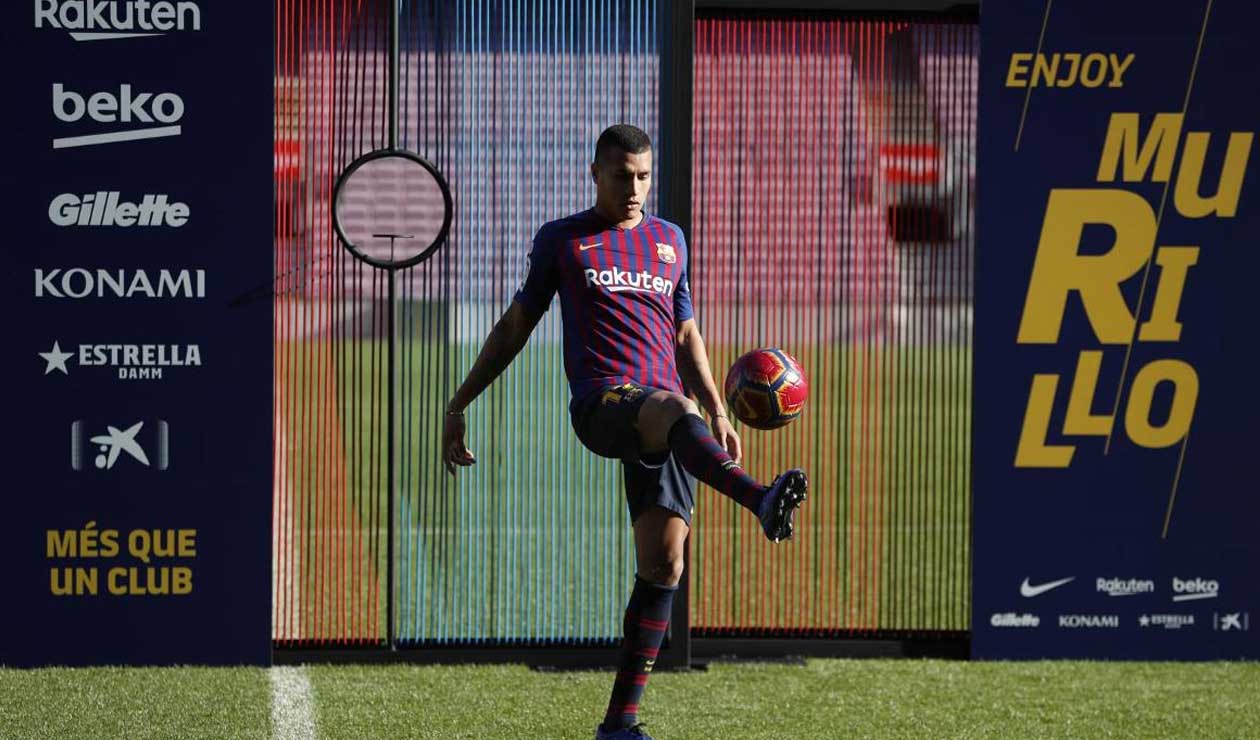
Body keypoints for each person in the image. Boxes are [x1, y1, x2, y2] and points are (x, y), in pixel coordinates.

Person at [441, 123, 808, 740]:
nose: (634, 188)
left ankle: (619, 723)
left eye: (643, 176)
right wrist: (459, 403)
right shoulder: (563, 241)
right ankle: (759, 498)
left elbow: (686, 335)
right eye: (621, 176)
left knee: (664, 564)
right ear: (595, 173)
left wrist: (718, 408)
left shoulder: (670, 241)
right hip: (603, 405)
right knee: (670, 407)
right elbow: (513, 328)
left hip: (673, 418)